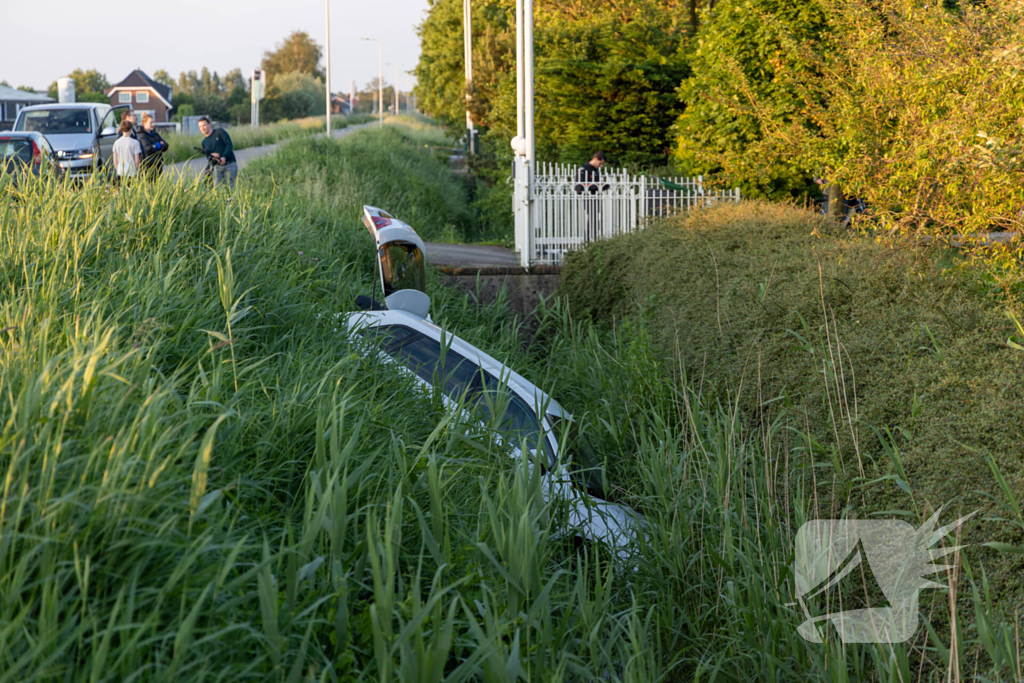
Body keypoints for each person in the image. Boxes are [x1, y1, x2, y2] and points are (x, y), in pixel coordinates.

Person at [574, 151, 610, 242]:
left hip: (595, 197)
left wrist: (602, 186)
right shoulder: (583, 169)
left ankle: (593, 238)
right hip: (587, 197)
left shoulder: (596, 170)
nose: (600, 166)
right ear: (595, 159)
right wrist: (597, 187)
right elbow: (579, 187)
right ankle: (589, 239)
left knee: (595, 218)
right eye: (600, 163)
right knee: (592, 217)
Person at [198, 116, 237, 189]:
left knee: (230, 188)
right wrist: (213, 156)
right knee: (217, 189)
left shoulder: (219, 132)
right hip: (217, 167)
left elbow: (229, 144)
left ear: (209, 124)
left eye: (204, 125)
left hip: (230, 164)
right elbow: (208, 157)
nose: (202, 128)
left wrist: (224, 157)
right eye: (200, 126)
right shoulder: (204, 142)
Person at [137, 114, 170, 181]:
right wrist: (160, 145)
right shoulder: (142, 135)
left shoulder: (155, 134)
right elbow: (148, 149)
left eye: (153, 122)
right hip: (149, 164)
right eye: (151, 123)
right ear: (144, 123)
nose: (153, 124)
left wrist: (156, 145)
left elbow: (166, 146)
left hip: (158, 163)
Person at [111, 119, 142, 184]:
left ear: (121, 129)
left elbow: (115, 161)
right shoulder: (135, 143)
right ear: (131, 129)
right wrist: (138, 171)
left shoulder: (116, 143)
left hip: (121, 171)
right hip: (132, 172)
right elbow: (137, 161)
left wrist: (118, 169)